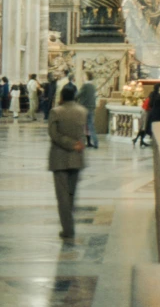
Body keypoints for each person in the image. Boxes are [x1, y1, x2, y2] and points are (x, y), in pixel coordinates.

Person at [48, 83, 88, 240]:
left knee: (62, 197)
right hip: (77, 157)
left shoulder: (55, 112)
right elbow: (82, 133)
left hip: (59, 158)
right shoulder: (82, 111)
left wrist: (70, 144)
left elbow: (54, 134)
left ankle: (68, 229)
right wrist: (76, 144)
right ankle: (69, 225)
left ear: (62, 96)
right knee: (71, 195)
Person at [77, 72, 98, 149]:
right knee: (91, 126)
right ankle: (95, 142)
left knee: (82, 125)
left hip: (84, 108)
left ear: (87, 77)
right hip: (92, 107)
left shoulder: (85, 86)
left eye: (84, 76)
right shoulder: (93, 86)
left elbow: (78, 95)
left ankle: (82, 142)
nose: (82, 77)